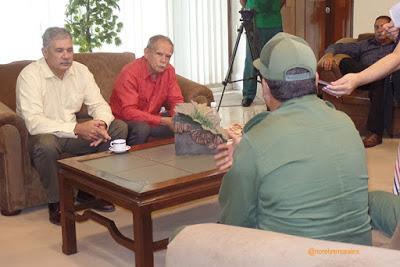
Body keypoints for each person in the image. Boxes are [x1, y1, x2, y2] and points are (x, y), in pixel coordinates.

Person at [216, 32, 373, 245]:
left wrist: (241, 163)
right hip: (358, 256)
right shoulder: (346, 123)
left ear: (265, 87)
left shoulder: (255, 141)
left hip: (292, 257)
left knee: (184, 236)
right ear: (317, 80)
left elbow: (232, 223)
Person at [16, 27, 128, 225]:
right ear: (45, 52)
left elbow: (99, 104)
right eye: (59, 50)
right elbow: (34, 122)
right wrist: (77, 129)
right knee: (46, 145)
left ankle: (90, 192)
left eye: (69, 50)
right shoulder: (30, 76)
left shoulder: (81, 71)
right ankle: (57, 202)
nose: (66, 56)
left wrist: (100, 124)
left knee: (118, 128)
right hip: (44, 134)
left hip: (72, 133)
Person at [319, 16, 398, 148]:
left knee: (379, 79)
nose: (379, 30)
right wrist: (328, 54)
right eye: (376, 27)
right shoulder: (364, 44)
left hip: (386, 83)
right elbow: (336, 46)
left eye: (383, 27)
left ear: (391, 28)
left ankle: (375, 133)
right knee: (344, 61)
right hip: (362, 79)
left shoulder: (396, 46)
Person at [110, 35, 184, 145]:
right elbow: (129, 112)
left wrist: (178, 118)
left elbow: (176, 101)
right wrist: (163, 121)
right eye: (159, 54)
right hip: (124, 121)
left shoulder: (169, 71)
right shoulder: (130, 73)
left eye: (168, 56)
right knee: (142, 129)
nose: (164, 60)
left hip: (151, 118)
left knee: (186, 124)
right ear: (146, 53)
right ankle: (133, 160)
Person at [240, 0, 285, 107]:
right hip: (255, 20)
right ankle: (248, 95)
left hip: (274, 22)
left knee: (275, 59)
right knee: (252, 58)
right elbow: (243, 1)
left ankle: (276, 93)